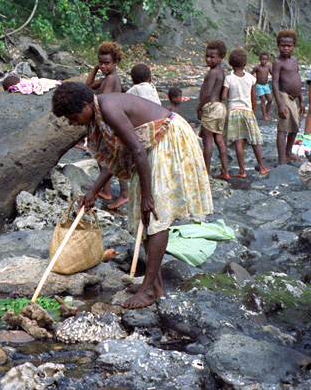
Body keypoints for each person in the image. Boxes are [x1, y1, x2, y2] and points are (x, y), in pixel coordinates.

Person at [52, 82, 212, 309]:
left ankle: (148, 291)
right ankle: (154, 285)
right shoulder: (99, 114)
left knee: (155, 215)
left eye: (74, 117)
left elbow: (136, 149)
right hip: (149, 149)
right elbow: (118, 155)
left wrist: (147, 195)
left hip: (166, 140)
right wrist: (93, 192)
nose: (73, 123)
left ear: (86, 105)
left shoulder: (108, 109)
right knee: (143, 217)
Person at [85, 41, 127, 207]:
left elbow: (103, 101)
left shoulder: (110, 79)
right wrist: (95, 70)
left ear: (116, 62)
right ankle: (107, 191)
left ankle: (122, 193)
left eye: (106, 63)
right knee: (110, 158)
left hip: (110, 123)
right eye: (100, 63)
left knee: (113, 159)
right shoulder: (108, 77)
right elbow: (88, 86)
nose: (102, 66)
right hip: (112, 122)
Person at [221, 48, 270, 177]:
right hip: (248, 112)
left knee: (238, 141)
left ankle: (242, 171)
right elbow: (254, 97)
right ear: (245, 64)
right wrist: (253, 111)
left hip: (233, 112)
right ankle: (262, 167)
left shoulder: (229, 79)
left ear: (231, 64)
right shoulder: (250, 78)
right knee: (255, 140)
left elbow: (224, 96)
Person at [197, 39, 230, 179]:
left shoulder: (212, 73)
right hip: (220, 107)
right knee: (219, 139)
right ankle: (225, 171)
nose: (208, 59)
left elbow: (208, 93)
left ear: (221, 58)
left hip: (210, 107)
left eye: (212, 57)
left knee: (208, 140)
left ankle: (206, 172)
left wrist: (199, 107)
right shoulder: (221, 72)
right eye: (207, 56)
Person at [272, 29, 305, 165]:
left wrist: (301, 100)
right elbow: (274, 82)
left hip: (293, 98)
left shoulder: (295, 60)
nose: (286, 48)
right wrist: (279, 104)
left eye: (289, 46)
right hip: (283, 96)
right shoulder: (278, 62)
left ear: (294, 46)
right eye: (283, 45)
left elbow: (297, 79)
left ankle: (288, 152)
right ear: (278, 45)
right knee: (283, 127)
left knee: (295, 126)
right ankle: (281, 161)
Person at [251, 51, 273, 121]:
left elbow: (273, 74)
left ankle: (267, 114)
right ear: (260, 60)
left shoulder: (268, 67)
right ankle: (264, 116)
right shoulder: (257, 67)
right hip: (259, 85)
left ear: (268, 60)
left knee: (270, 99)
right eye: (262, 59)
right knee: (263, 99)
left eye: (265, 59)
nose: (264, 61)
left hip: (266, 85)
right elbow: (251, 74)